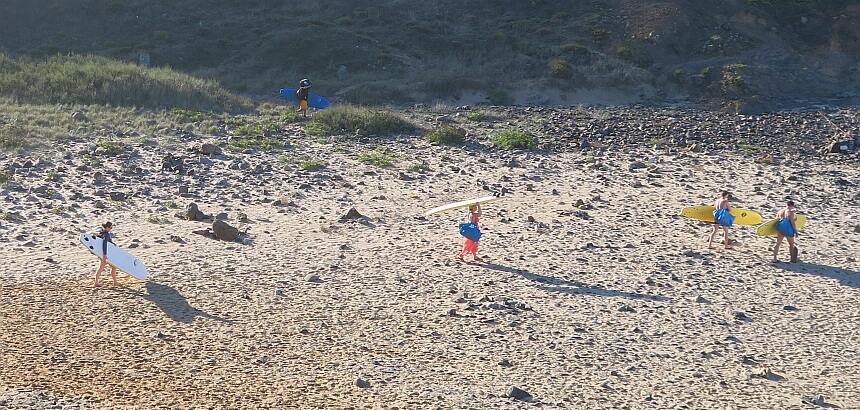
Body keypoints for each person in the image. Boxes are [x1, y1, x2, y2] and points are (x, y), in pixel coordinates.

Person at [94, 221, 119, 287]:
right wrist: (104, 254)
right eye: (110, 227)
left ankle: (115, 282)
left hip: (101, 253)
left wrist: (113, 244)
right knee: (111, 267)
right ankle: (114, 282)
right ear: (107, 227)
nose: (111, 229)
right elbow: (104, 243)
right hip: (106, 254)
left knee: (103, 267)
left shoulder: (101, 233)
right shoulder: (106, 234)